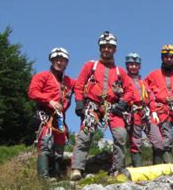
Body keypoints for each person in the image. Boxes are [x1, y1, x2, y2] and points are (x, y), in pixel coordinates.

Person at [71, 31, 134, 181]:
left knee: (121, 136)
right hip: (92, 106)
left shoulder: (120, 72)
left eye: (110, 47)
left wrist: (123, 103)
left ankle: (118, 169)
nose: (106, 49)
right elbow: (79, 84)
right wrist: (79, 102)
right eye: (104, 47)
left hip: (112, 108)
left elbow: (130, 90)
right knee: (85, 136)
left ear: (115, 49)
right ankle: (77, 168)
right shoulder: (90, 66)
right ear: (100, 48)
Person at [28, 47, 75, 178]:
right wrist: (49, 101)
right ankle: (43, 178)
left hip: (60, 119)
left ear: (66, 62)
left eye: (62, 60)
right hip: (45, 114)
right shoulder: (42, 76)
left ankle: (56, 176)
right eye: (56, 60)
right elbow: (32, 92)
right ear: (51, 61)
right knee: (45, 144)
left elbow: (83, 87)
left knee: (59, 148)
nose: (59, 62)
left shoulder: (69, 82)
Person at [124, 52, 164, 167]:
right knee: (136, 142)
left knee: (158, 141)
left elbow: (151, 98)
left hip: (147, 113)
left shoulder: (144, 83)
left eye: (136, 64)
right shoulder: (123, 81)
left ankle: (158, 167)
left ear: (139, 66)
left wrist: (154, 111)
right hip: (134, 113)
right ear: (127, 65)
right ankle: (138, 169)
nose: (133, 66)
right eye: (131, 64)